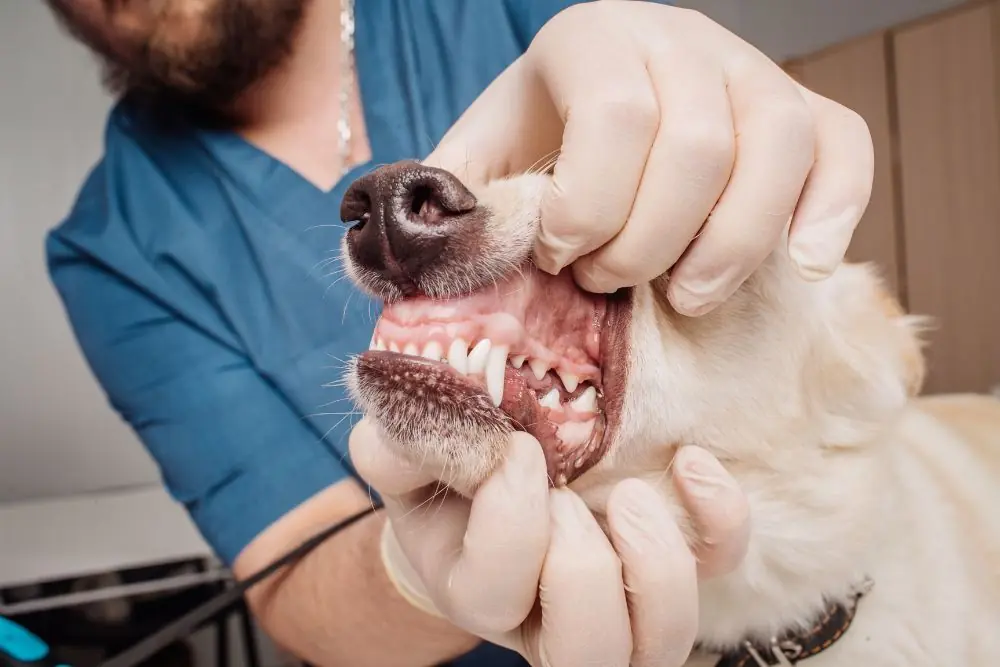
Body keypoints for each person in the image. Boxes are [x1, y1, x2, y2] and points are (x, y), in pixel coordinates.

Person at [41, 1, 873, 665]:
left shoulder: (505, 12)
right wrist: (419, 575)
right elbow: (295, 577)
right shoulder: (114, 246)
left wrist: (709, 97)